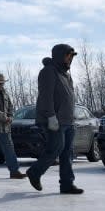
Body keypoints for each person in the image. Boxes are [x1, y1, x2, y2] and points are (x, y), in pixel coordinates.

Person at [26, 44, 84, 194]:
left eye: (71, 57)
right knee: (55, 149)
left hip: (68, 120)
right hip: (55, 120)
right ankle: (35, 172)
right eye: (68, 56)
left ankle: (67, 183)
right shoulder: (48, 72)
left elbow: (67, 98)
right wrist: (51, 116)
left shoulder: (66, 74)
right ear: (60, 55)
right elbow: (46, 96)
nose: (70, 59)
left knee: (67, 153)